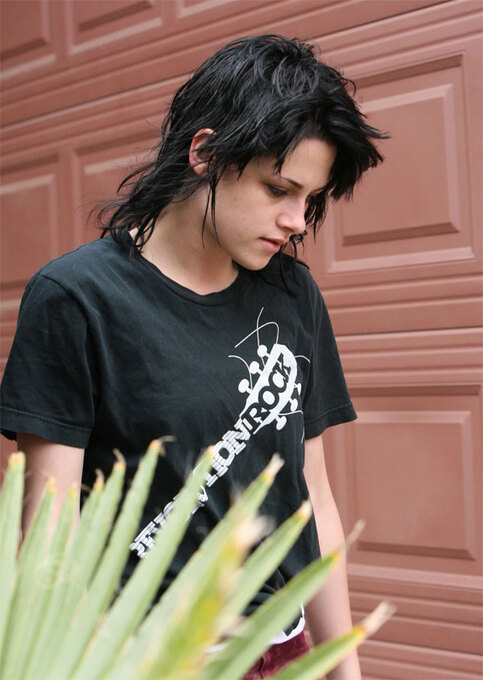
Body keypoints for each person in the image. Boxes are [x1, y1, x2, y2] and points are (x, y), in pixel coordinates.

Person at [0, 34, 385, 679]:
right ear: (204, 152)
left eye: (310, 199)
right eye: (278, 189)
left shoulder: (293, 295)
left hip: (283, 651)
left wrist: (343, 668)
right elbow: (49, 533)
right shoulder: (77, 298)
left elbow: (311, 494)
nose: (297, 220)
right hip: (144, 659)